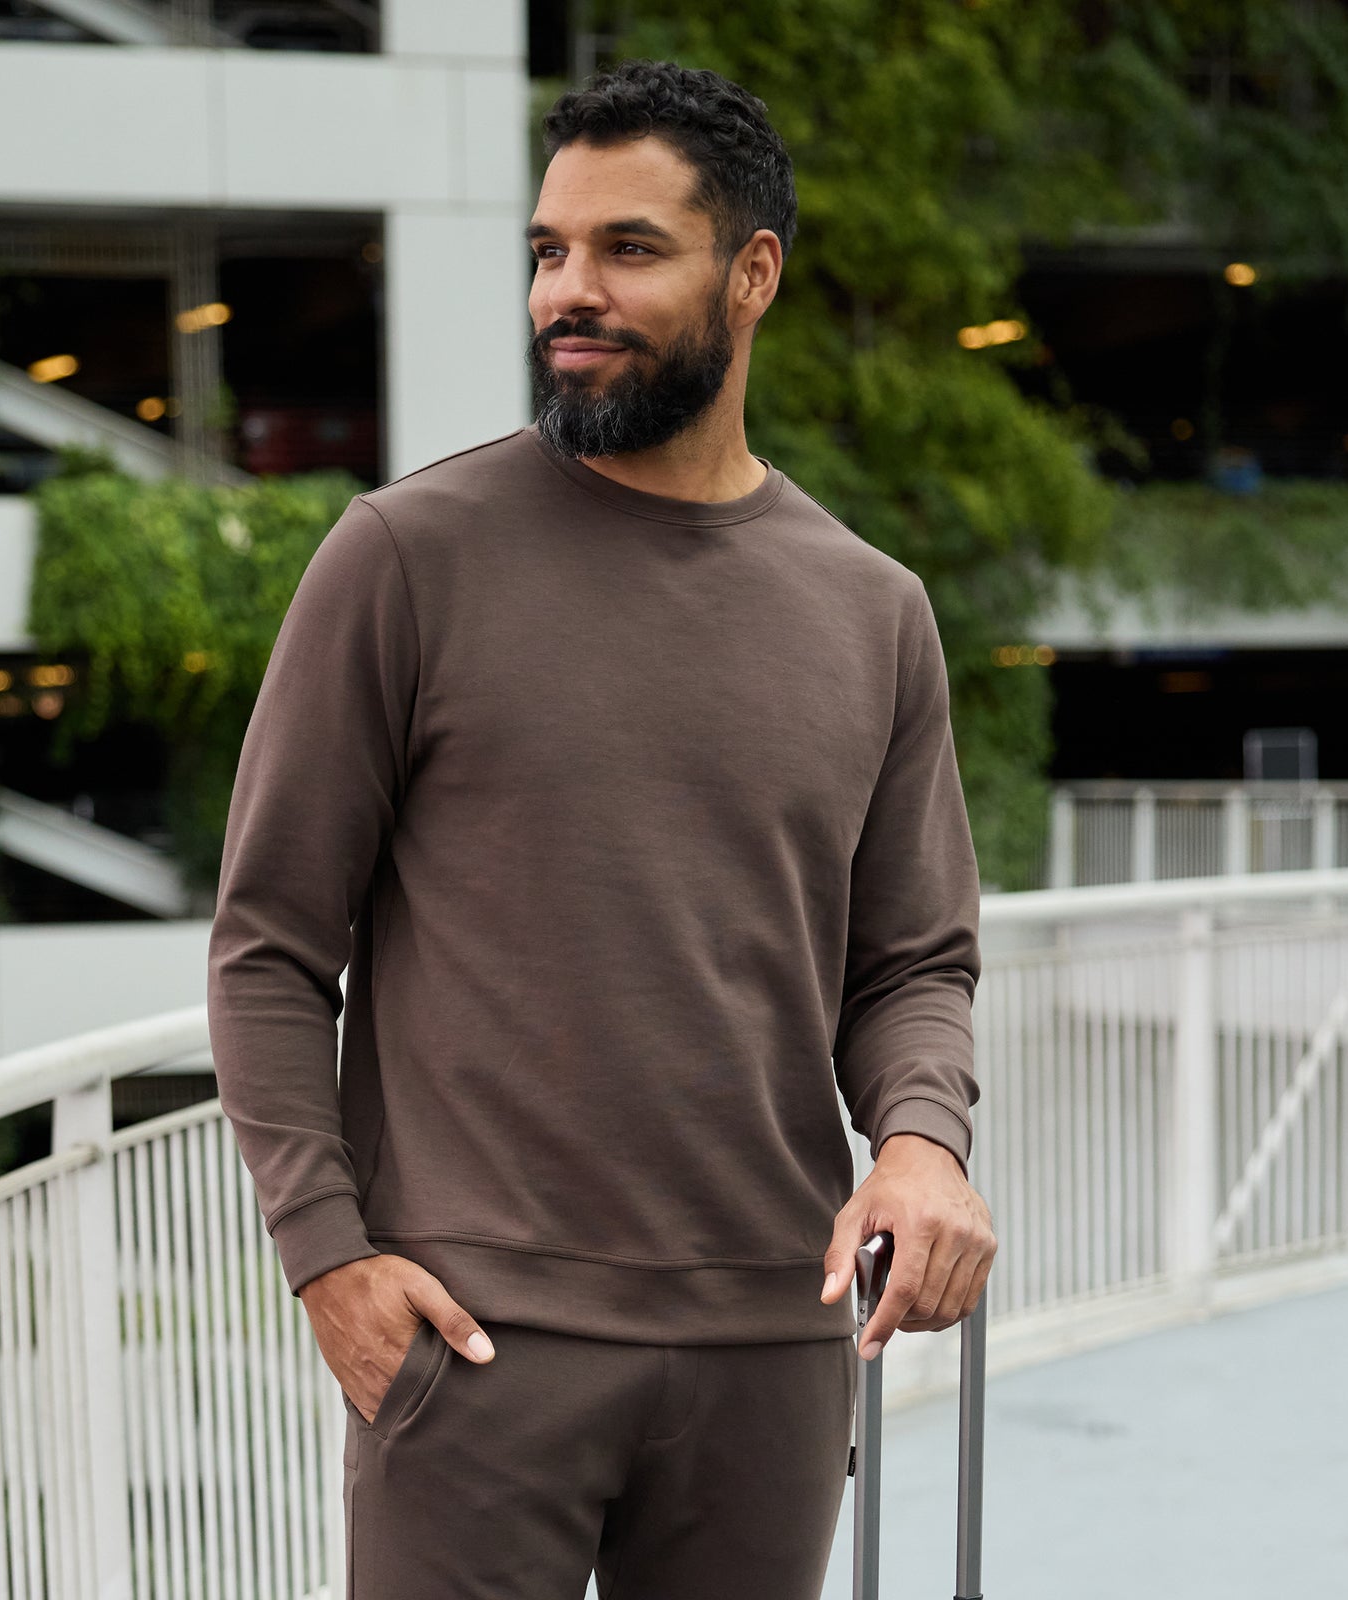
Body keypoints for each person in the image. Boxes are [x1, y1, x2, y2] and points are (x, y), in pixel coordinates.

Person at [208, 57, 996, 1600]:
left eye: (627, 250)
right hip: (477, 1351)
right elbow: (268, 948)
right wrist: (327, 1261)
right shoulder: (404, 558)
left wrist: (921, 1142)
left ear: (750, 274)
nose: (568, 292)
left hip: (769, 1357)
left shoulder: (872, 612)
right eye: (547, 252)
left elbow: (911, 962)